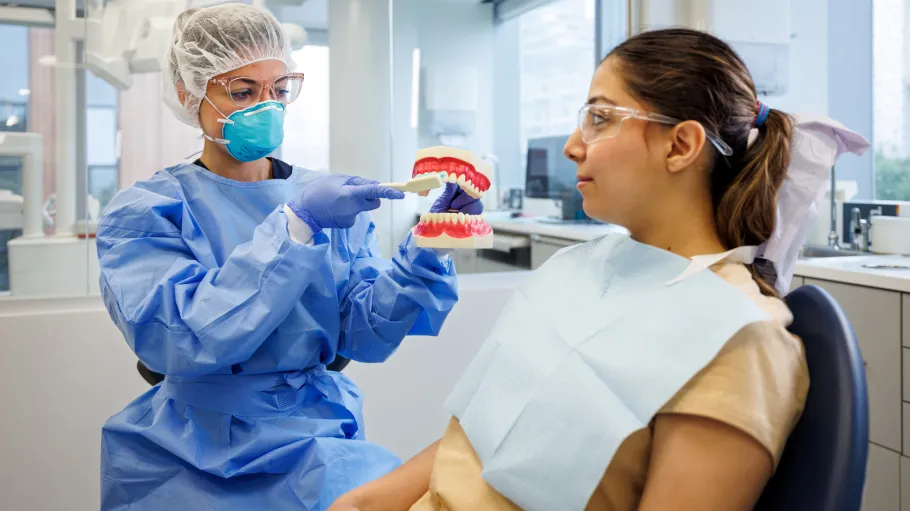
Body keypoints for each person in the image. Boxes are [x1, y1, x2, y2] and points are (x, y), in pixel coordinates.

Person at [328, 28, 867, 511]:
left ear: (681, 145)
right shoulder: (581, 268)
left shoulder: (737, 338)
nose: (571, 146)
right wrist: (360, 504)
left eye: (600, 118)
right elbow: (475, 440)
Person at [97, 4, 481, 510]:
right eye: (242, 92)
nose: (267, 107)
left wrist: (428, 249)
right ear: (190, 93)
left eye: (279, 90)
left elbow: (363, 333)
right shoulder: (147, 212)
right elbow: (185, 336)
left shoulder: (326, 199)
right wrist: (295, 227)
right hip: (187, 450)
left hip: (315, 440)